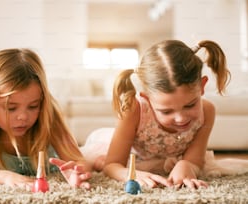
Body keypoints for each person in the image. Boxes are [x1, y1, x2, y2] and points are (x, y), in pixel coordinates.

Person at [80, 39, 248, 189]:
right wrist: (130, 174)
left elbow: (196, 159)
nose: (181, 118)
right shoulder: (135, 109)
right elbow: (113, 164)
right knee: (98, 162)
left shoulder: (208, 111)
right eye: (166, 111)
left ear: (202, 86)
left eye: (190, 105)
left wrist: (187, 165)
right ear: (147, 99)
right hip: (133, 156)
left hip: (172, 158)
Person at [0, 48, 92, 190]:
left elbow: (79, 160)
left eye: (33, 106)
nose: (23, 117)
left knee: (93, 156)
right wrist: (5, 177)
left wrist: (78, 171)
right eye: (11, 108)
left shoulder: (49, 118)